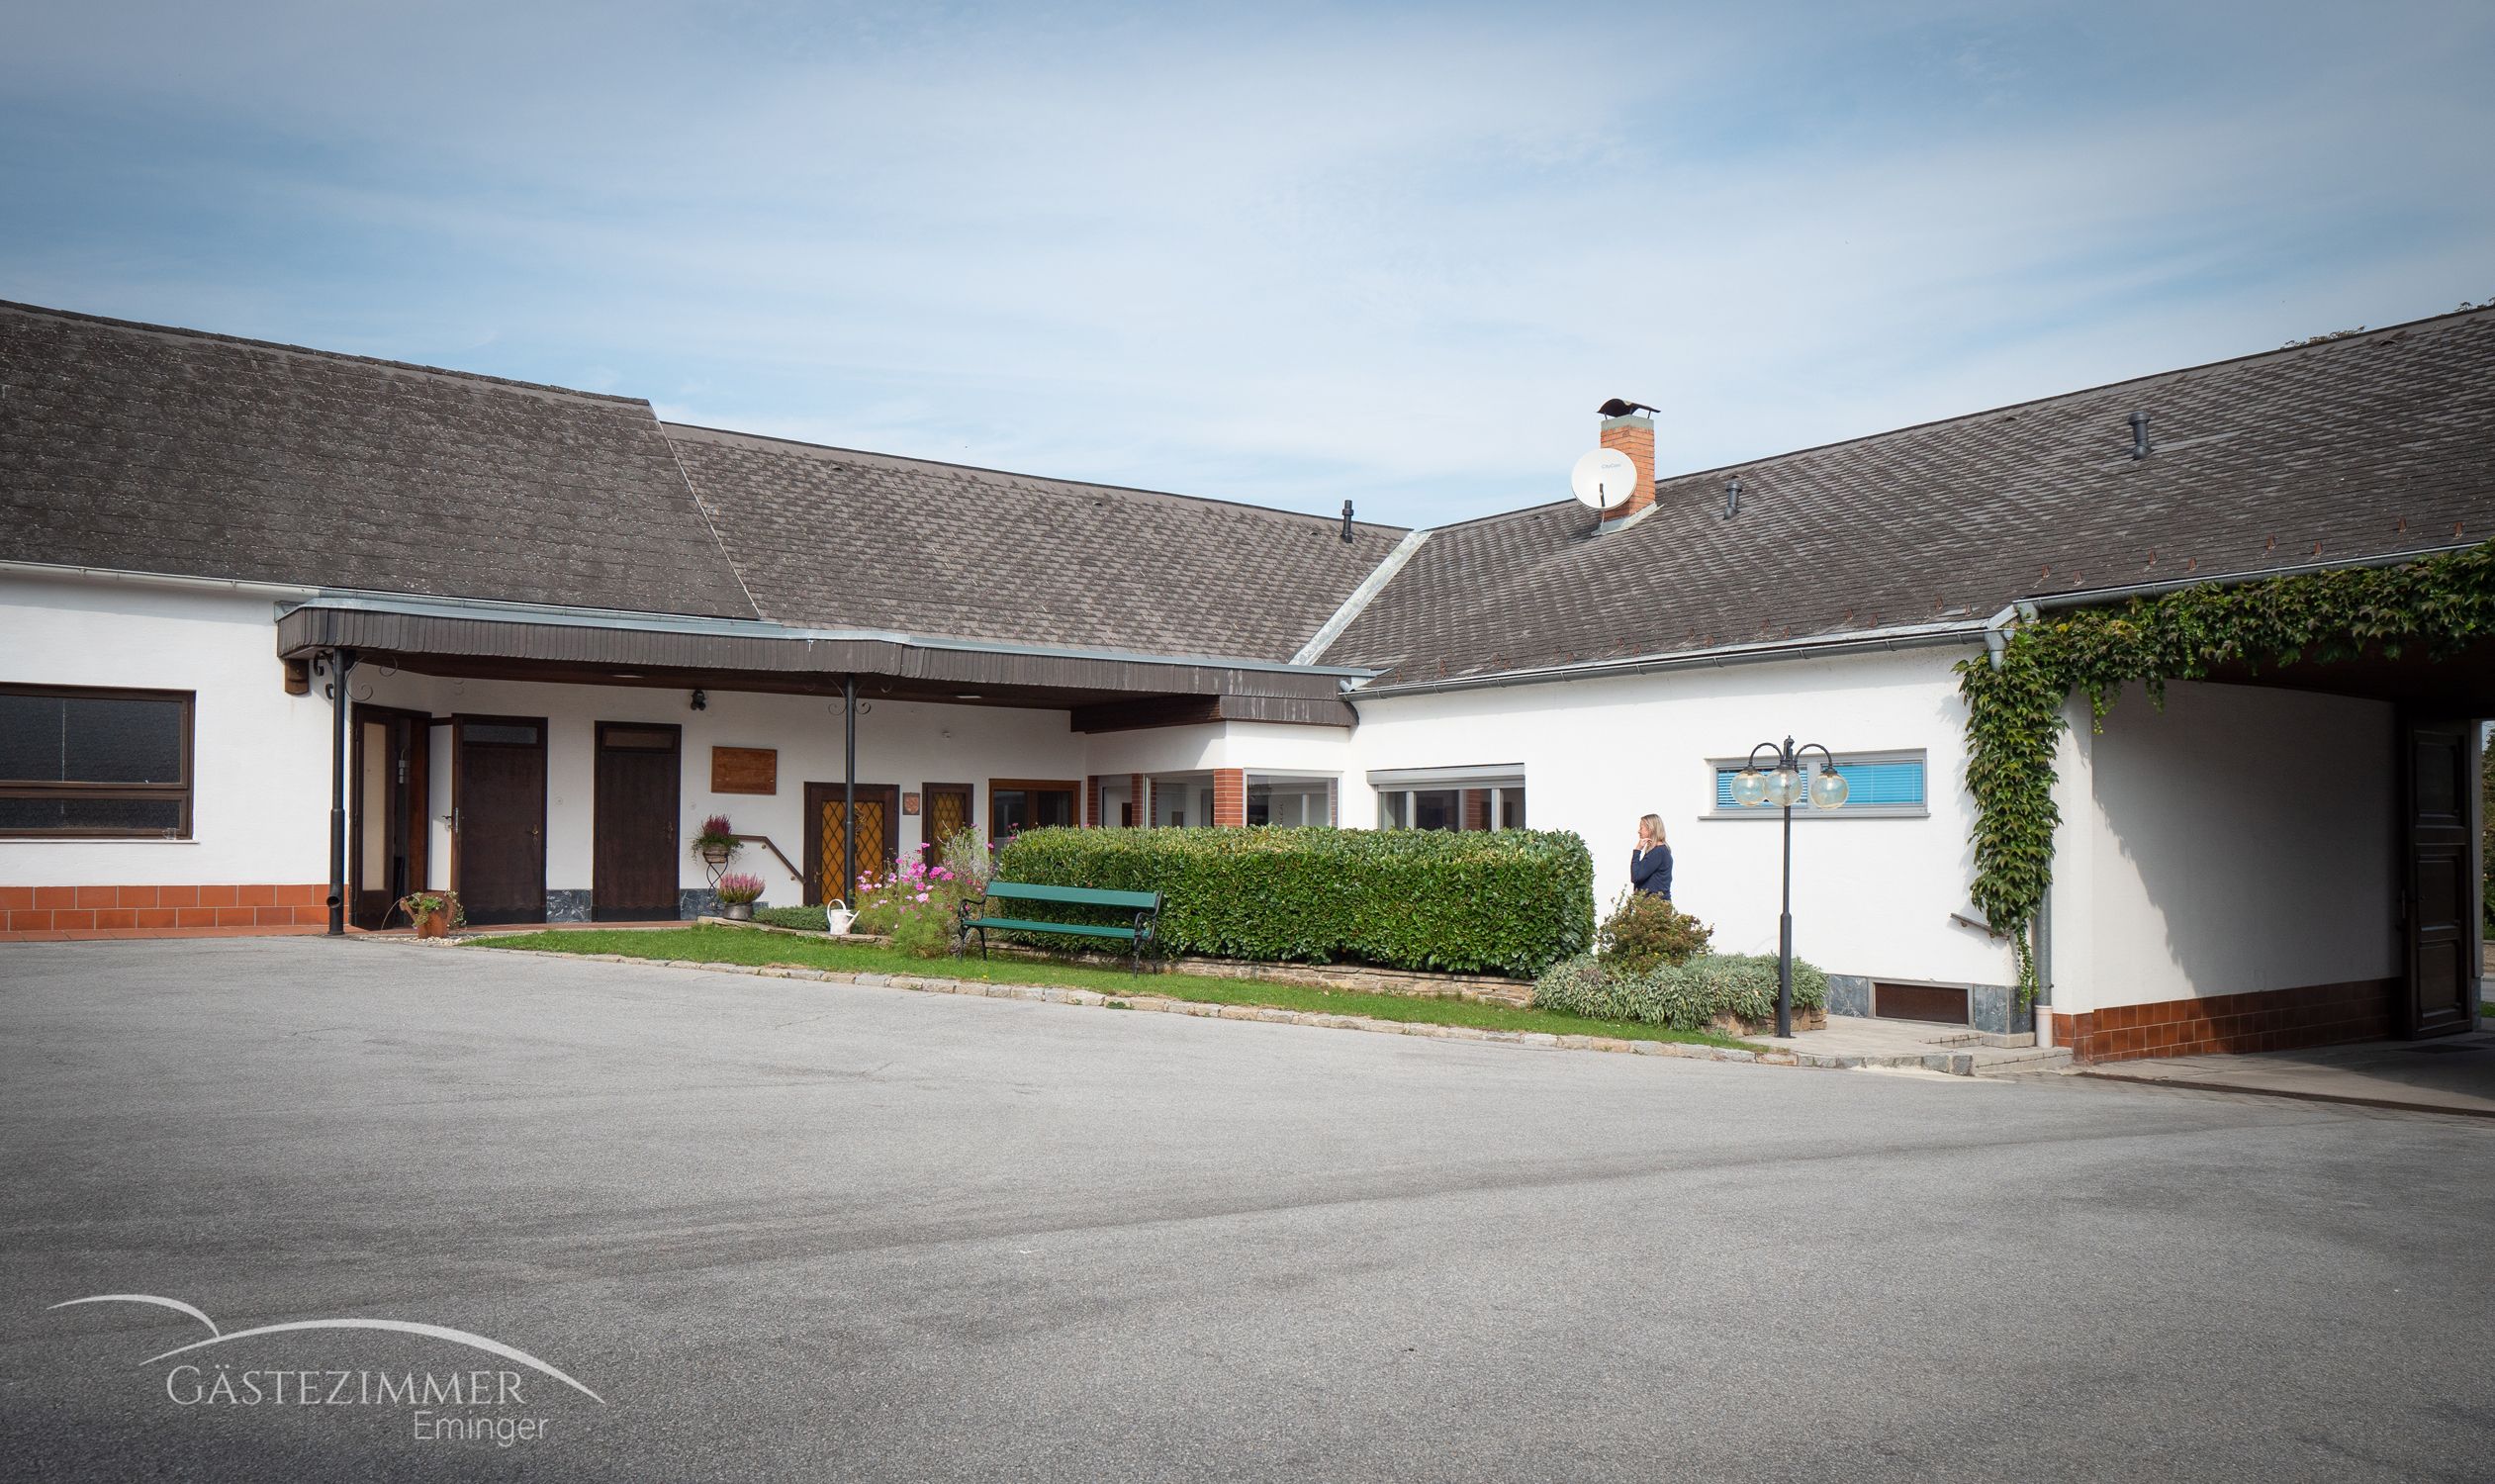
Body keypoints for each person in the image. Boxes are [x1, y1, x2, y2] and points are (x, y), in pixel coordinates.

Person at [1630, 814, 1673, 901]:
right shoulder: (1659, 851)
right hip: (1653, 904)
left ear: (1651, 829)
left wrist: (1637, 850)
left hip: (1654, 905)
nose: (1639, 831)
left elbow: (1636, 877)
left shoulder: (1658, 852)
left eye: (1641, 828)